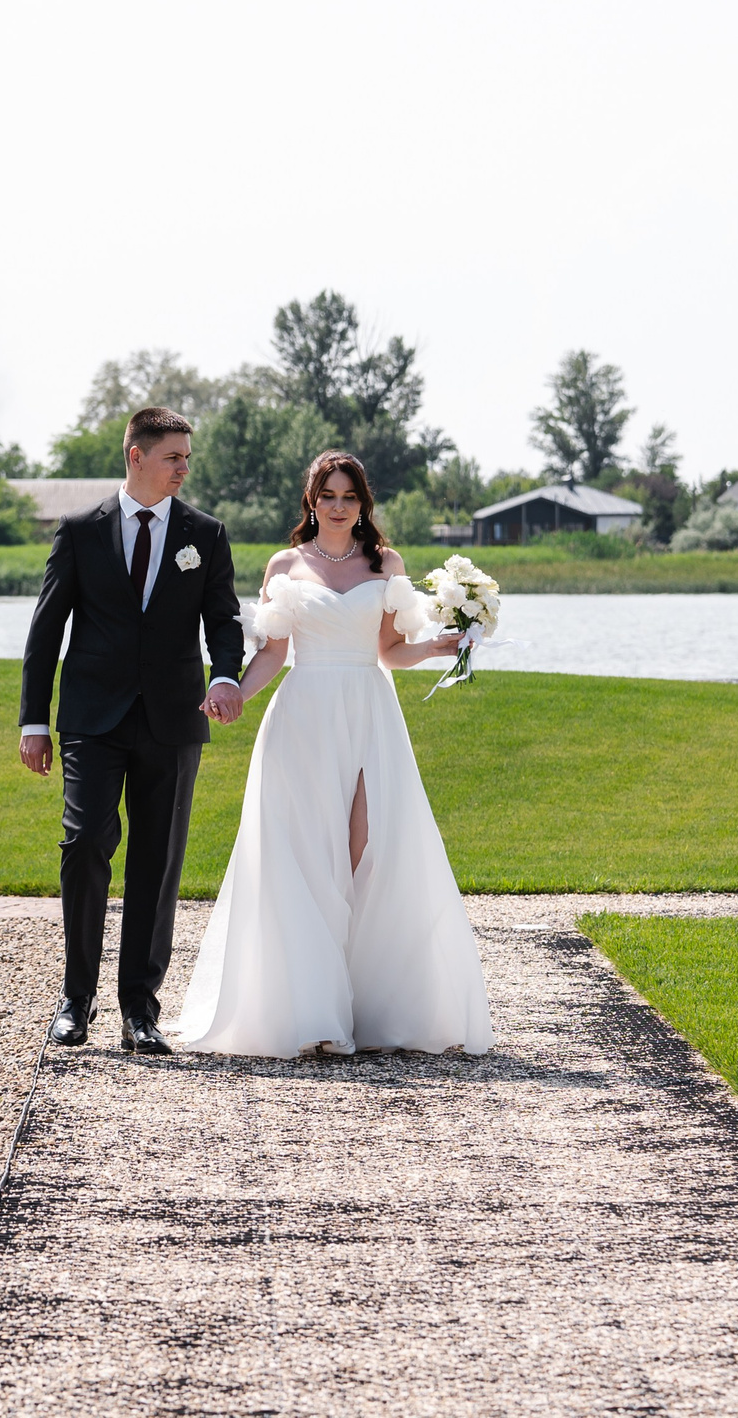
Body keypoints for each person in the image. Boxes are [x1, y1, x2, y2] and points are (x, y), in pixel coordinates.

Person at [172, 450, 492, 1058]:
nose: (339, 507)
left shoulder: (385, 563)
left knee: (366, 846)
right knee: (310, 853)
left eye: (350, 497)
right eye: (328, 496)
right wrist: (234, 691)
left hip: (369, 711)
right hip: (304, 714)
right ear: (311, 501)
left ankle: (370, 1003)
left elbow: (389, 652)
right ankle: (314, 1010)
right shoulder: (287, 564)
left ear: (363, 503)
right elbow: (271, 651)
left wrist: (439, 646)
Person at [19, 406, 246, 1054]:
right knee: (85, 841)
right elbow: (45, 634)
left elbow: (223, 619)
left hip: (174, 720)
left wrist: (225, 676)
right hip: (93, 720)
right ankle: (75, 999)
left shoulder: (205, 532)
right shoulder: (79, 532)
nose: (183, 468)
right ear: (136, 456)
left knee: (158, 862)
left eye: (186, 459)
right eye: (173, 456)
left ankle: (139, 1012)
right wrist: (35, 722)